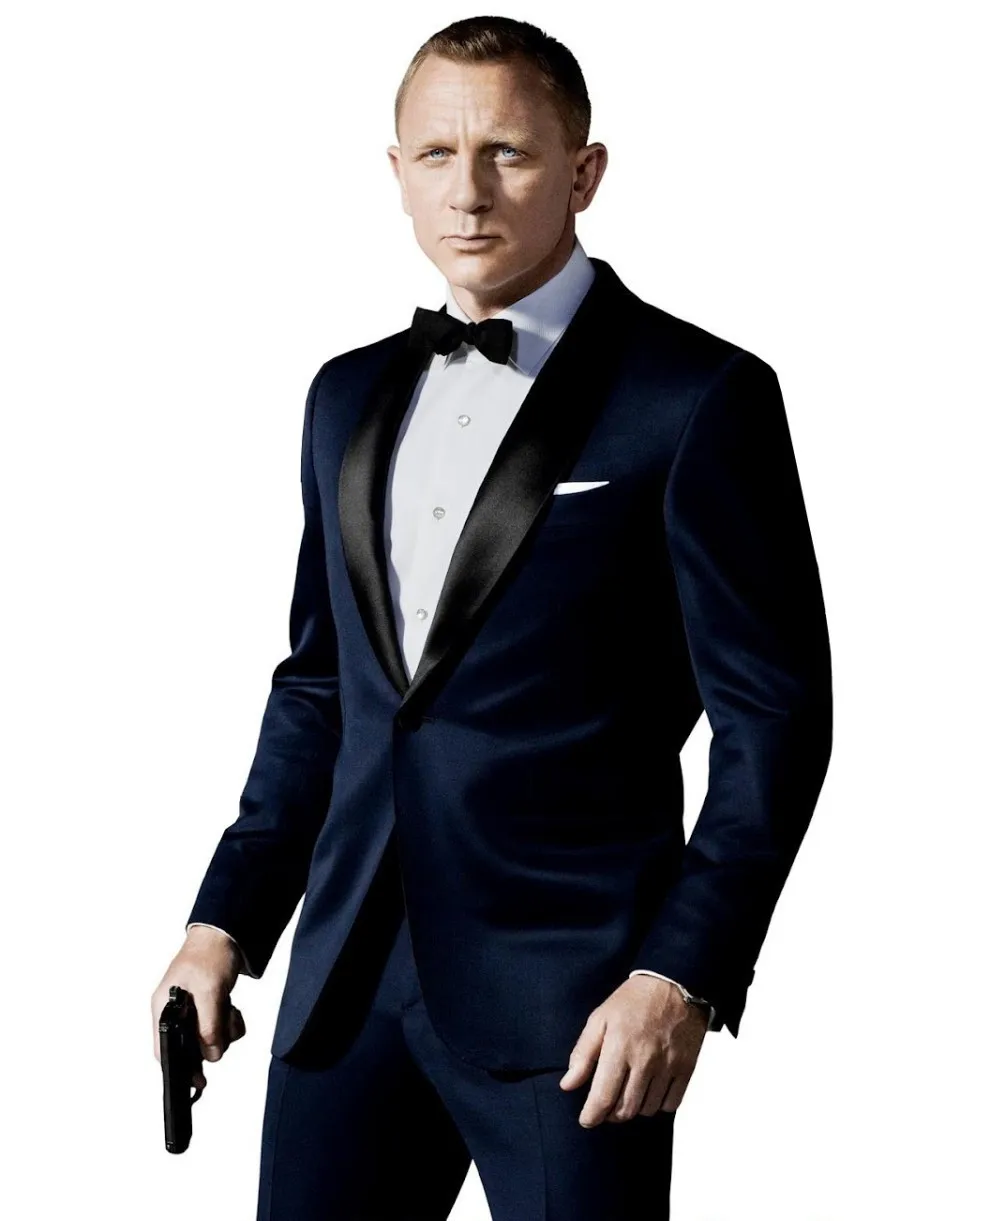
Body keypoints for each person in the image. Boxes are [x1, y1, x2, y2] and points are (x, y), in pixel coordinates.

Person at [151, 15, 832, 1219]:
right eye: (435, 155)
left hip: (578, 1005)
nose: (466, 192)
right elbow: (323, 686)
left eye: (507, 153)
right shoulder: (344, 394)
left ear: (584, 171)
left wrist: (681, 972)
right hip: (344, 989)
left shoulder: (697, 396)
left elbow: (773, 720)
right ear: (396, 171)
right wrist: (223, 924)